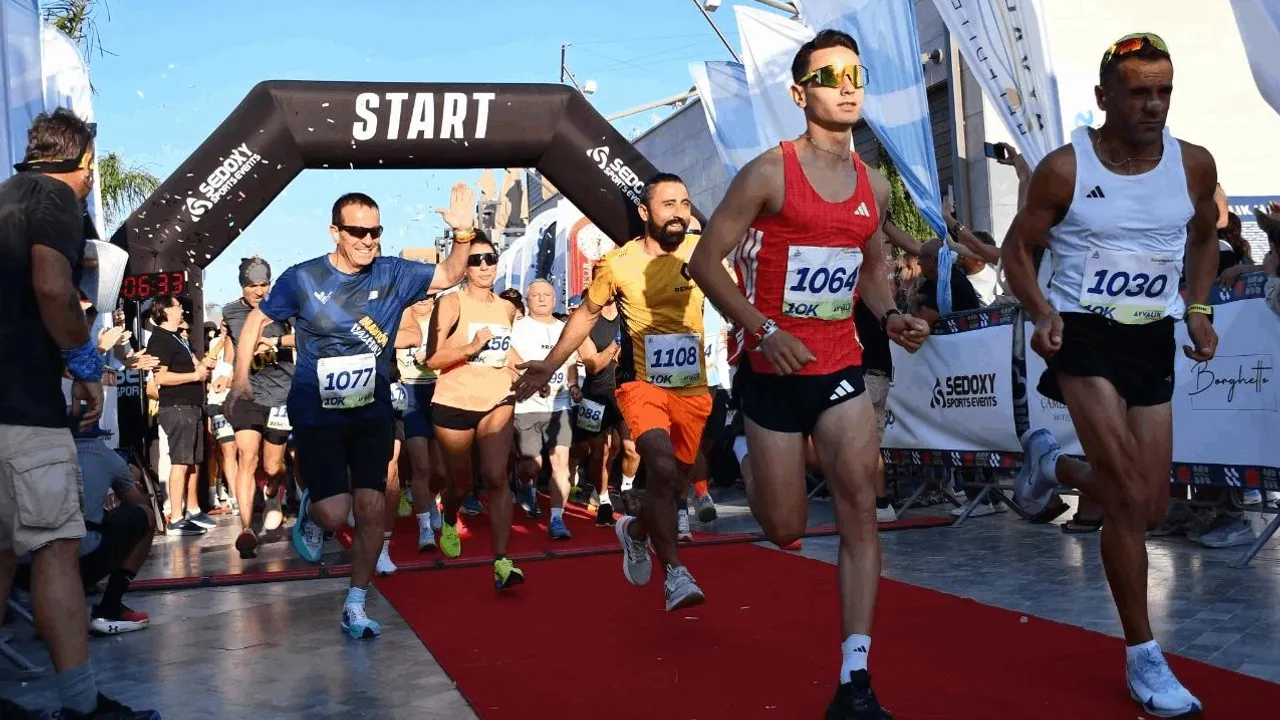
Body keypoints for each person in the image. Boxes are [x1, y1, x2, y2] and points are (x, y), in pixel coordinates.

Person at [688, 30, 930, 719]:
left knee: (859, 506)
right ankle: (745, 445)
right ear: (800, 94)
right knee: (786, 528)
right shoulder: (769, 172)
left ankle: (856, 677)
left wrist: (891, 317)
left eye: (856, 74)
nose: (847, 87)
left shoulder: (873, 184)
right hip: (769, 368)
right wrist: (764, 329)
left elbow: (872, 273)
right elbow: (705, 263)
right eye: (830, 77)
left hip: (839, 364)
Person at [1001, 33, 1218, 718]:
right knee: (1125, 491)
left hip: (1150, 337)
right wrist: (1041, 310)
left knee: (1147, 507)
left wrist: (1198, 308)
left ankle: (1052, 465)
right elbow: (1016, 248)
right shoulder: (1065, 169)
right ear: (1103, 97)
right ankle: (1144, 655)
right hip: (1082, 332)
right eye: (1138, 92)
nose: (1153, 105)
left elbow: (1206, 236)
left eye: (1163, 91)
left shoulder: (1192, 164)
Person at [230, 186, 470, 639]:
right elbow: (258, 320)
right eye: (357, 231)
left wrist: (462, 234)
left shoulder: (394, 272)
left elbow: (450, 273)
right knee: (336, 514)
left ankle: (355, 603)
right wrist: (241, 379)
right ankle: (312, 511)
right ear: (335, 232)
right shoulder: (303, 278)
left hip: (372, 410)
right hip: (317, 411)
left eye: (375, 231)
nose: (368, 240)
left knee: (372, 508)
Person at [0, 108, 157, 719]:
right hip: (24, 410)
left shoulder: (5, 197)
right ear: (85, 163)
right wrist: (84, 362)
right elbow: (51, 286)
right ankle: (82, 706)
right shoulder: (55, 199)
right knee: (56, 548)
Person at [514, 172, 713, 612]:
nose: (679, 212)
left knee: (676, 483)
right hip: (640, 383)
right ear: (644, 212)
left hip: (692, 387)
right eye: (668, 204)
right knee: (660, 466)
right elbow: (585, 315)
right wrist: (549, 364)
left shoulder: (701, 251)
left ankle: (635, 532)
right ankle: (675, 574)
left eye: (684, 203)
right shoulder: (617, 263)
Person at [427, 237, 524, 588]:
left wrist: (528, 371)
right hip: (454, 401)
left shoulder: (507, 308)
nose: (484, 265)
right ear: (464, 267)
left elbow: (505, 352)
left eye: (490, 258)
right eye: (475, 260)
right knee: (460, 483)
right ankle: (449, 517)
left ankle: (502, 561)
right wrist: (470, 347)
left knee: (496, 475)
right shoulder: (450, 302)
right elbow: (432, 359)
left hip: (497, 398)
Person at [221, 256, 296, 558]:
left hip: (281, 395)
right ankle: (246, 528)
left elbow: (305, 337)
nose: (259, 291)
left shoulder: (284, 306)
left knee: (272, 466)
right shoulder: (230, 312)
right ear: (242, 285)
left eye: (264, 284)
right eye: (253, 286)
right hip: (248, 394)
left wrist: (275, 342)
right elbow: (231, 347)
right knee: (246, 457)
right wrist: (224, 374)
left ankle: (273, 492)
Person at [510, 279, 581, 538]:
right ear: (527, 300)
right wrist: (531, 380)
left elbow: (571, 363)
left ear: (555, 299)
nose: (541, 299)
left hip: (559, 404)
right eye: (536, 295)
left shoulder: (565, 328)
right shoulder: (517, 327)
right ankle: (523, 482)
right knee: (532, 465)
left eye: (547, 295)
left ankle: (557, 519)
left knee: (560, 462)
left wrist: (573, 386)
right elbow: (509, 362)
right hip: (526, 405)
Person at [147, 296, 218, 537]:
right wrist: (195, 376)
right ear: (165, 311)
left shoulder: (178, 338)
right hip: (177, 408)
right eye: (177, 306)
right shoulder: (160, 339)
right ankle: (176, 518)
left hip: (192, 406)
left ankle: (193, 510)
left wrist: (205, 365)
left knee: (193, 461)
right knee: (180, 462)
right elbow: (161, 378)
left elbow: (196, 367)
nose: (182, 311)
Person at [395, 295, 445, 552]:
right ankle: (424, 526)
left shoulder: (445, 319)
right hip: (410, 392)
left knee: (441, 471)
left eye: (429, 294)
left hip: (440, 392)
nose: (424, 298)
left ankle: (433, 499)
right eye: (420, 294)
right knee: (421, 466)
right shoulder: (399, 318)